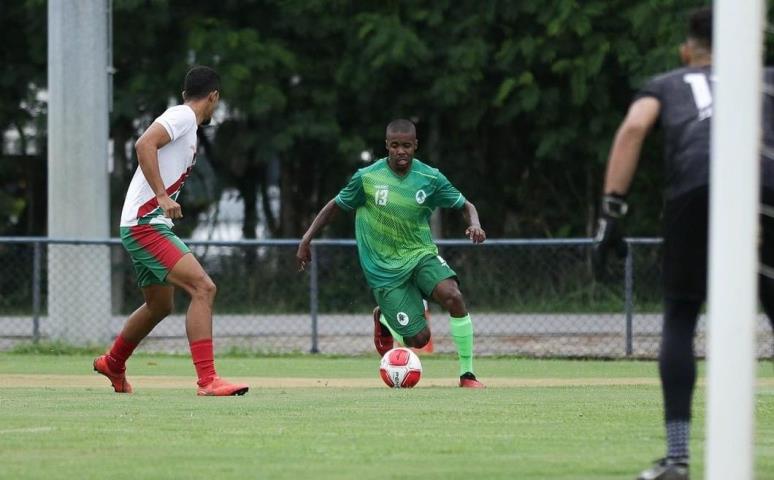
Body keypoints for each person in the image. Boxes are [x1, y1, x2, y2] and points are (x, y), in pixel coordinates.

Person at [593, 7, 774, 479]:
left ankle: (677, 458)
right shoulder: (765, 79)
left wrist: (611, 215)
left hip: (696, 188)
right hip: (764, 187)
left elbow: (634, 128)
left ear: (686, 50)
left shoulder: (670, 83)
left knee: (680, 315)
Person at [93, 66, 249, 397]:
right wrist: (162, 196)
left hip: (143, 223)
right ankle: (208, 380)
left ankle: (113, 362)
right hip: (145, 224)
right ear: (214, 96)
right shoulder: (183, 116)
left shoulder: (184, 121)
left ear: (184, 93)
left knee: (160, 305)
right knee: (203, 288)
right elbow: (144, 144)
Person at [296, 119, 486, 388]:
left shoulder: (430, 177)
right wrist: (307, 238)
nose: (401, 151)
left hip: (420, 255)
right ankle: (384, 318)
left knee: (453, 296)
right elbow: (334, 207)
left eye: (406, 145)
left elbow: (466, 205)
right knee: (419, 339)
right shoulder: (367, 178)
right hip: (384, 271)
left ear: (415, 145)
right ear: (386, 146)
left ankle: (467, 375)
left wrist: (475, 224)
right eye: (395, 145)